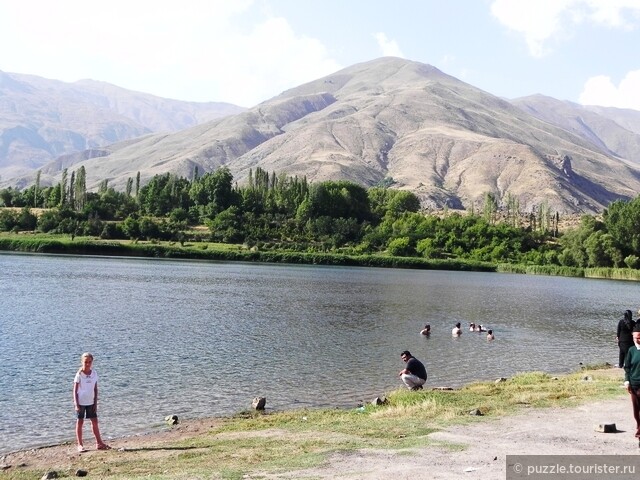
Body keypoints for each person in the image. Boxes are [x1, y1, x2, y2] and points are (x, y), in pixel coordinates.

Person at [73, 352, 110, 452]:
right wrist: (76, 404)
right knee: (80, 422)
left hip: (91, 402)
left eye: (89, 362)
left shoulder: (94, 374)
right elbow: (75, 390)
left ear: (92, 362)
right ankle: (80, 444)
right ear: (82, 362)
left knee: (94, 422)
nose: (88, 364)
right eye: (86, 362)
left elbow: (95, 389)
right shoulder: (79, 374)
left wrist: (95, 403)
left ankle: (99, 443)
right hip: (81, 402)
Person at [624, 325, 640, 443]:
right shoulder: (631, 350)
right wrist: (627, 381)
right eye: (637, 338)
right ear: (633, 337)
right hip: (634, 384)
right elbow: (627, 367)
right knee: (636, 410)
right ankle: (638, 425)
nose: (638, 340)